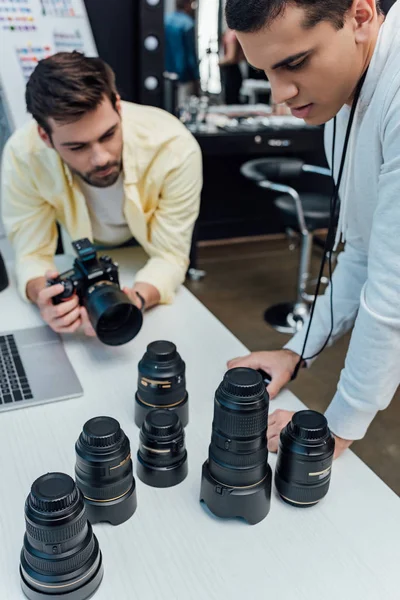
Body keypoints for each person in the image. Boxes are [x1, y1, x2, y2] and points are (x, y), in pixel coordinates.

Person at [225, 0, 400, 458]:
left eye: (295, 62)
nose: (280, 92)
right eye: (265, 70)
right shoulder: (342, 102)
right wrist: (296, 351)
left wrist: (336, 428)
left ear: (359, 16)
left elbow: (393, 290)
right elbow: (361, 253)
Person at [1, 51, 202, 337]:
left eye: (108, 135)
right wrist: (44, 298)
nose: (100, 158)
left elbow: (170, 256)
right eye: (77, 147)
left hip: (146, 251)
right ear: (45, 137)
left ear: (118, 107)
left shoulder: (174, 147)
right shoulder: (23, 156)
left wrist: (136, 300)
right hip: (80, 249)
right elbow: (31, 253)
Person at [165, 0, 201, 106]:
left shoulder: (165, 20)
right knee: (183, 108)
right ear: (188, 4)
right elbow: (190, 54)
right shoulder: (188, 24)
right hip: (184, 75)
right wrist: (196, 78)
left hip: (165, 72)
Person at [219, 28, 245, 104]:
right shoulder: (236, 33)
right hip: (234, 70)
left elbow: (231, 58)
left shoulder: (232, 34)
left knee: (231, 100)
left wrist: (219, 62)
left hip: (232, 71)